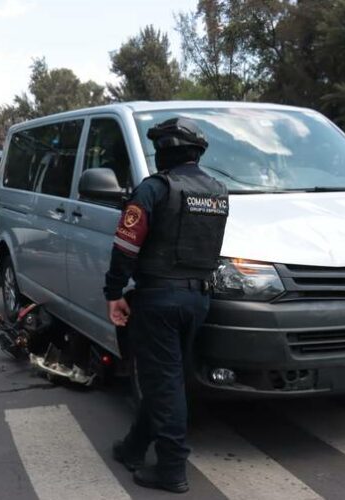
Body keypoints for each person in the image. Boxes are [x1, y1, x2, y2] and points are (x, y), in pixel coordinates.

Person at [104, 118, 229, 494]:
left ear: (164, 152)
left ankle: (172, 467)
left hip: (159, 299)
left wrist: (114, 293)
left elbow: (125, 247)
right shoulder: (218, 191)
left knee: (165, 381)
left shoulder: (155, 189)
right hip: (198, 298)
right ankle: (134, 447)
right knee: (165, 377)